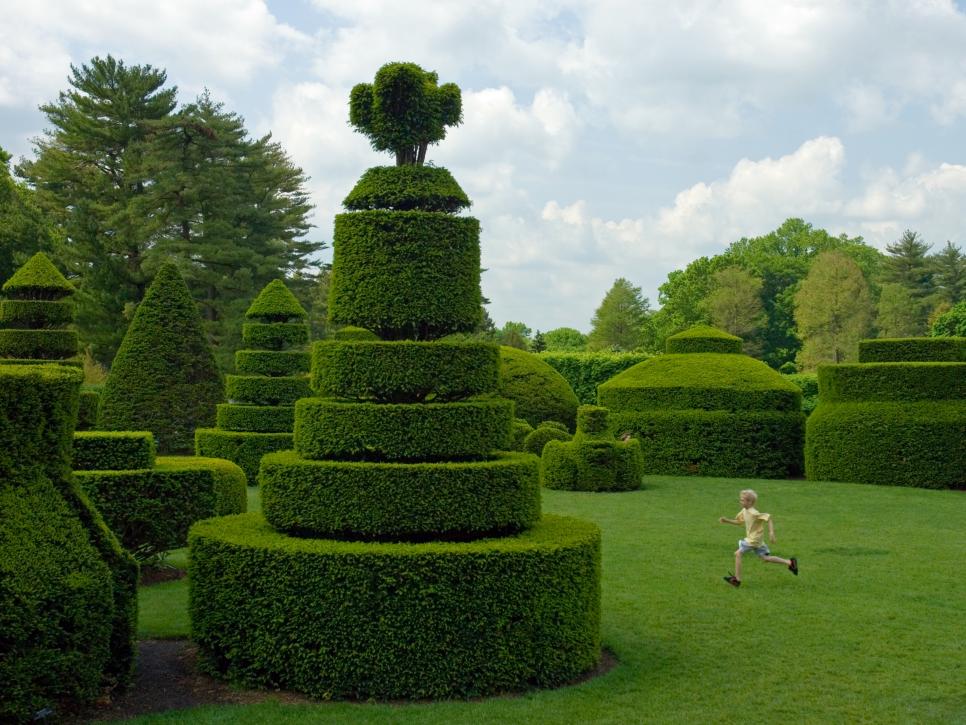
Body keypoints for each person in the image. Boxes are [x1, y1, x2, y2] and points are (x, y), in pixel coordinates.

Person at [718, 489, 797, 587]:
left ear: (750, 502)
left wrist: (771, 533)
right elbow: (739, 522)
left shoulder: (753, 513)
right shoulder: (744, 511)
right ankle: (790, 562)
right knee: (765, 558)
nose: (740, 501)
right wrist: (726, 521)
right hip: (756, 540)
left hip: (753, 540)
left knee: (737, 554)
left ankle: (737, 580)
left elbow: (768, 518)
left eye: (742, 500)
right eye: (741, 499)